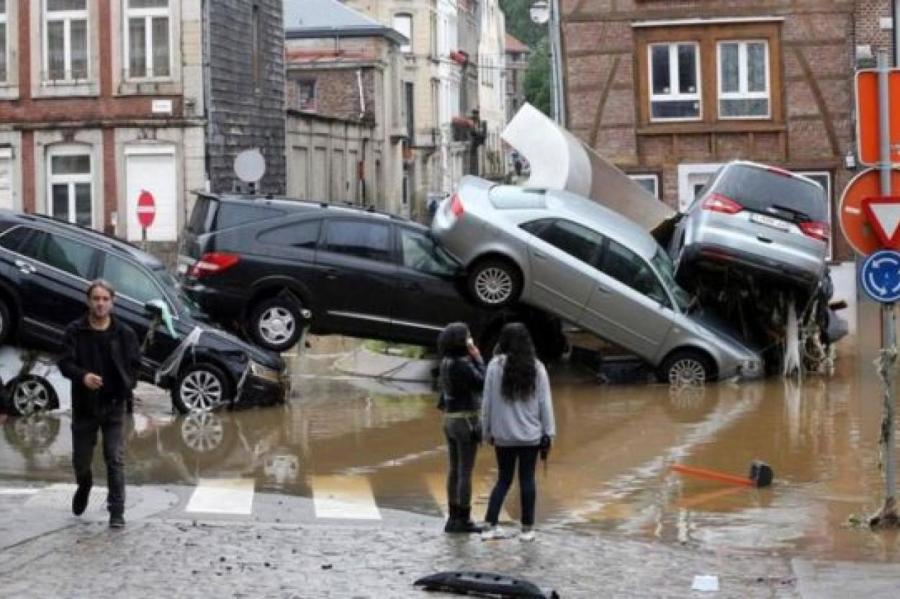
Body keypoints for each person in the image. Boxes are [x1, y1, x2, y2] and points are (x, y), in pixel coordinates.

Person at [59, 280, 141, 528]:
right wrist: (83, 376)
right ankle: (84, 485)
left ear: (112, 302)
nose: (100, 303)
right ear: (88, 301)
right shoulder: (75, 330)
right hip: (84, 405)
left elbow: (135, 366)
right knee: (81, 461)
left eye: (105, 299)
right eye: (96, 298)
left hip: (113, 404)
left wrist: (128, 386)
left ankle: (117, 511)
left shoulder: (124, 333)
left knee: (114, 457)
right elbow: (64, 362)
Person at [480, 322, 555, 542]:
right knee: (527, 480)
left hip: (503, 436)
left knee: (503, 480)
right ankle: (527, 529)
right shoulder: (537, 367)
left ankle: (489, 527)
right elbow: (545, 403)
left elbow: (487, 402)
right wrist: (548, 433)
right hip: (530, 436)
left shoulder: (494, 366)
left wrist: (487, 431)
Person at [437, 322, 485, 533]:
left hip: (449, 419)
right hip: (466, 421)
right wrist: (478, 358)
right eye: (468, 337)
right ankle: (464, 518)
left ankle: (453, 516)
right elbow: (482, 382)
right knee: (466, 471)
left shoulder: (446, 362)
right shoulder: (463, 363)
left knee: (454, 469)